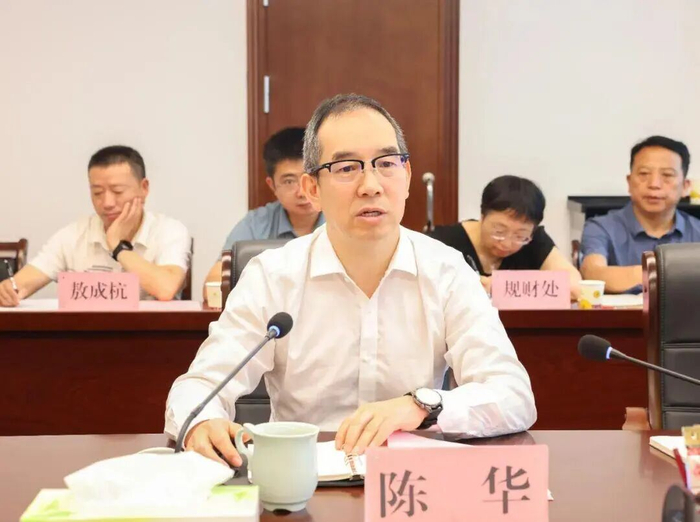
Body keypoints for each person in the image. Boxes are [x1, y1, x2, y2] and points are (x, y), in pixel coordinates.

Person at [165, 93, 536, 468]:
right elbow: (199, 387)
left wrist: (421, 405)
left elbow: (514, 395)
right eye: (346, 168)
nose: (371, 185)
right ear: (313, 189)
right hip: (300, 480)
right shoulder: (273, 276)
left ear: (407, 176)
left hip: (409, 482)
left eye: (386, 163)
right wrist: (202, 424)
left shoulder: (447, 271)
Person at [0, 145, 191, 306]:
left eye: (117, 191)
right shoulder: (73, 235)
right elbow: (19, 285)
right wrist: (8, 290)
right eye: (98, 193)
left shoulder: (169, 231)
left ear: (144, 188)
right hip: (84, 336)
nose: (107, 203)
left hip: (151, 336)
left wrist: (118, 247)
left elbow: (165, 288)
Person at [202, 128, 325, 293]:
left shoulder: (343, 218)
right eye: (289, 181)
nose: (302, 192)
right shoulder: (255, 224)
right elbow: (213, 286)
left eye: (308, 178)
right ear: (272, 185)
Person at [581, 136, 700, 293]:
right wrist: (673, 276)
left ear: (685, 186)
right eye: (644, 173)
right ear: (629, 182)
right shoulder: (601, 227)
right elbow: (593, 273)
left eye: (667, 175)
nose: (654, 184)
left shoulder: (697, 231)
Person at [430, 175, 581, 298]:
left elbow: (574, 285)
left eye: (520, 236)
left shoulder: (535, 241)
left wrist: (502, 285)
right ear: (482, 216)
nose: (507, 244)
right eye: (499, 232)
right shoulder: (443, 241)